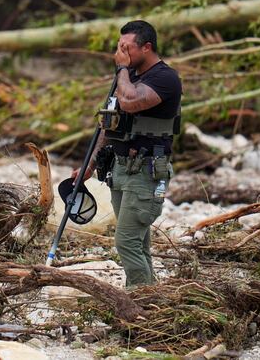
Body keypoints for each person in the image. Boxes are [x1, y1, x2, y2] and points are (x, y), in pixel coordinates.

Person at [72, 20, 182, 287]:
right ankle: (151, 298)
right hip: (121, 169)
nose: (120, 53)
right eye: (118, 47)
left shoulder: (165, 78)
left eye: (126, 48)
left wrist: (121, 69)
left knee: (126, 241)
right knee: (138, 242)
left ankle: (138, 300)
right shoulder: (128, 78)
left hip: (146, 171)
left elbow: (131, 102)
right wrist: (91, 162)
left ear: (146, 47)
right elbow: (109, 125)